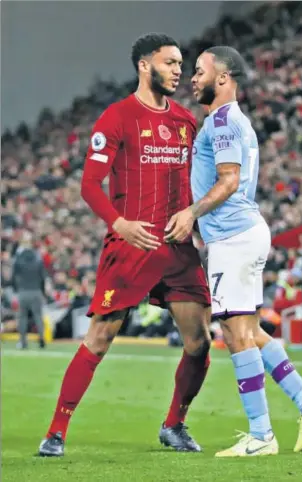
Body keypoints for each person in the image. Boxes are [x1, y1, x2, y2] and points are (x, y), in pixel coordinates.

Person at [38, 33, 211, 457]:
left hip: (178, 247)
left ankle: (175, 424)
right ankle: (56, 431)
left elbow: (193, 182)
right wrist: (120, 223)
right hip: (132, 245)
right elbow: (89, 184)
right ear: (144, 65)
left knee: (200, 341)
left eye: (180, 64)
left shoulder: (186, 121)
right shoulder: (117, 118)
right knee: (100, 337)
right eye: (169, 62)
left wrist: (194, 219)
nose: (177, 71)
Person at [164, 46, 302, 457]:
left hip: (234, 238)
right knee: (250, 332)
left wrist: (191, 213)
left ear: (223, 78)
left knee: (237, 335)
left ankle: (262, 436)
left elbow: (228, 181)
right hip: (243, 234)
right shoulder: (230, 120)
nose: (193, 78)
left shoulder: (222, 121)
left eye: (200, 71)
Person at [12, 233, 47, 349]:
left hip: (23, 291)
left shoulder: (18, 258)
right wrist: (42, 292)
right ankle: (41, 338)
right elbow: (43, 277)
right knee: (38, 316)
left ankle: (23, 341)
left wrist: (16, 290)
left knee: (22, 317)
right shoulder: (38, 258)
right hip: (36, 290)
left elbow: (14, 276)